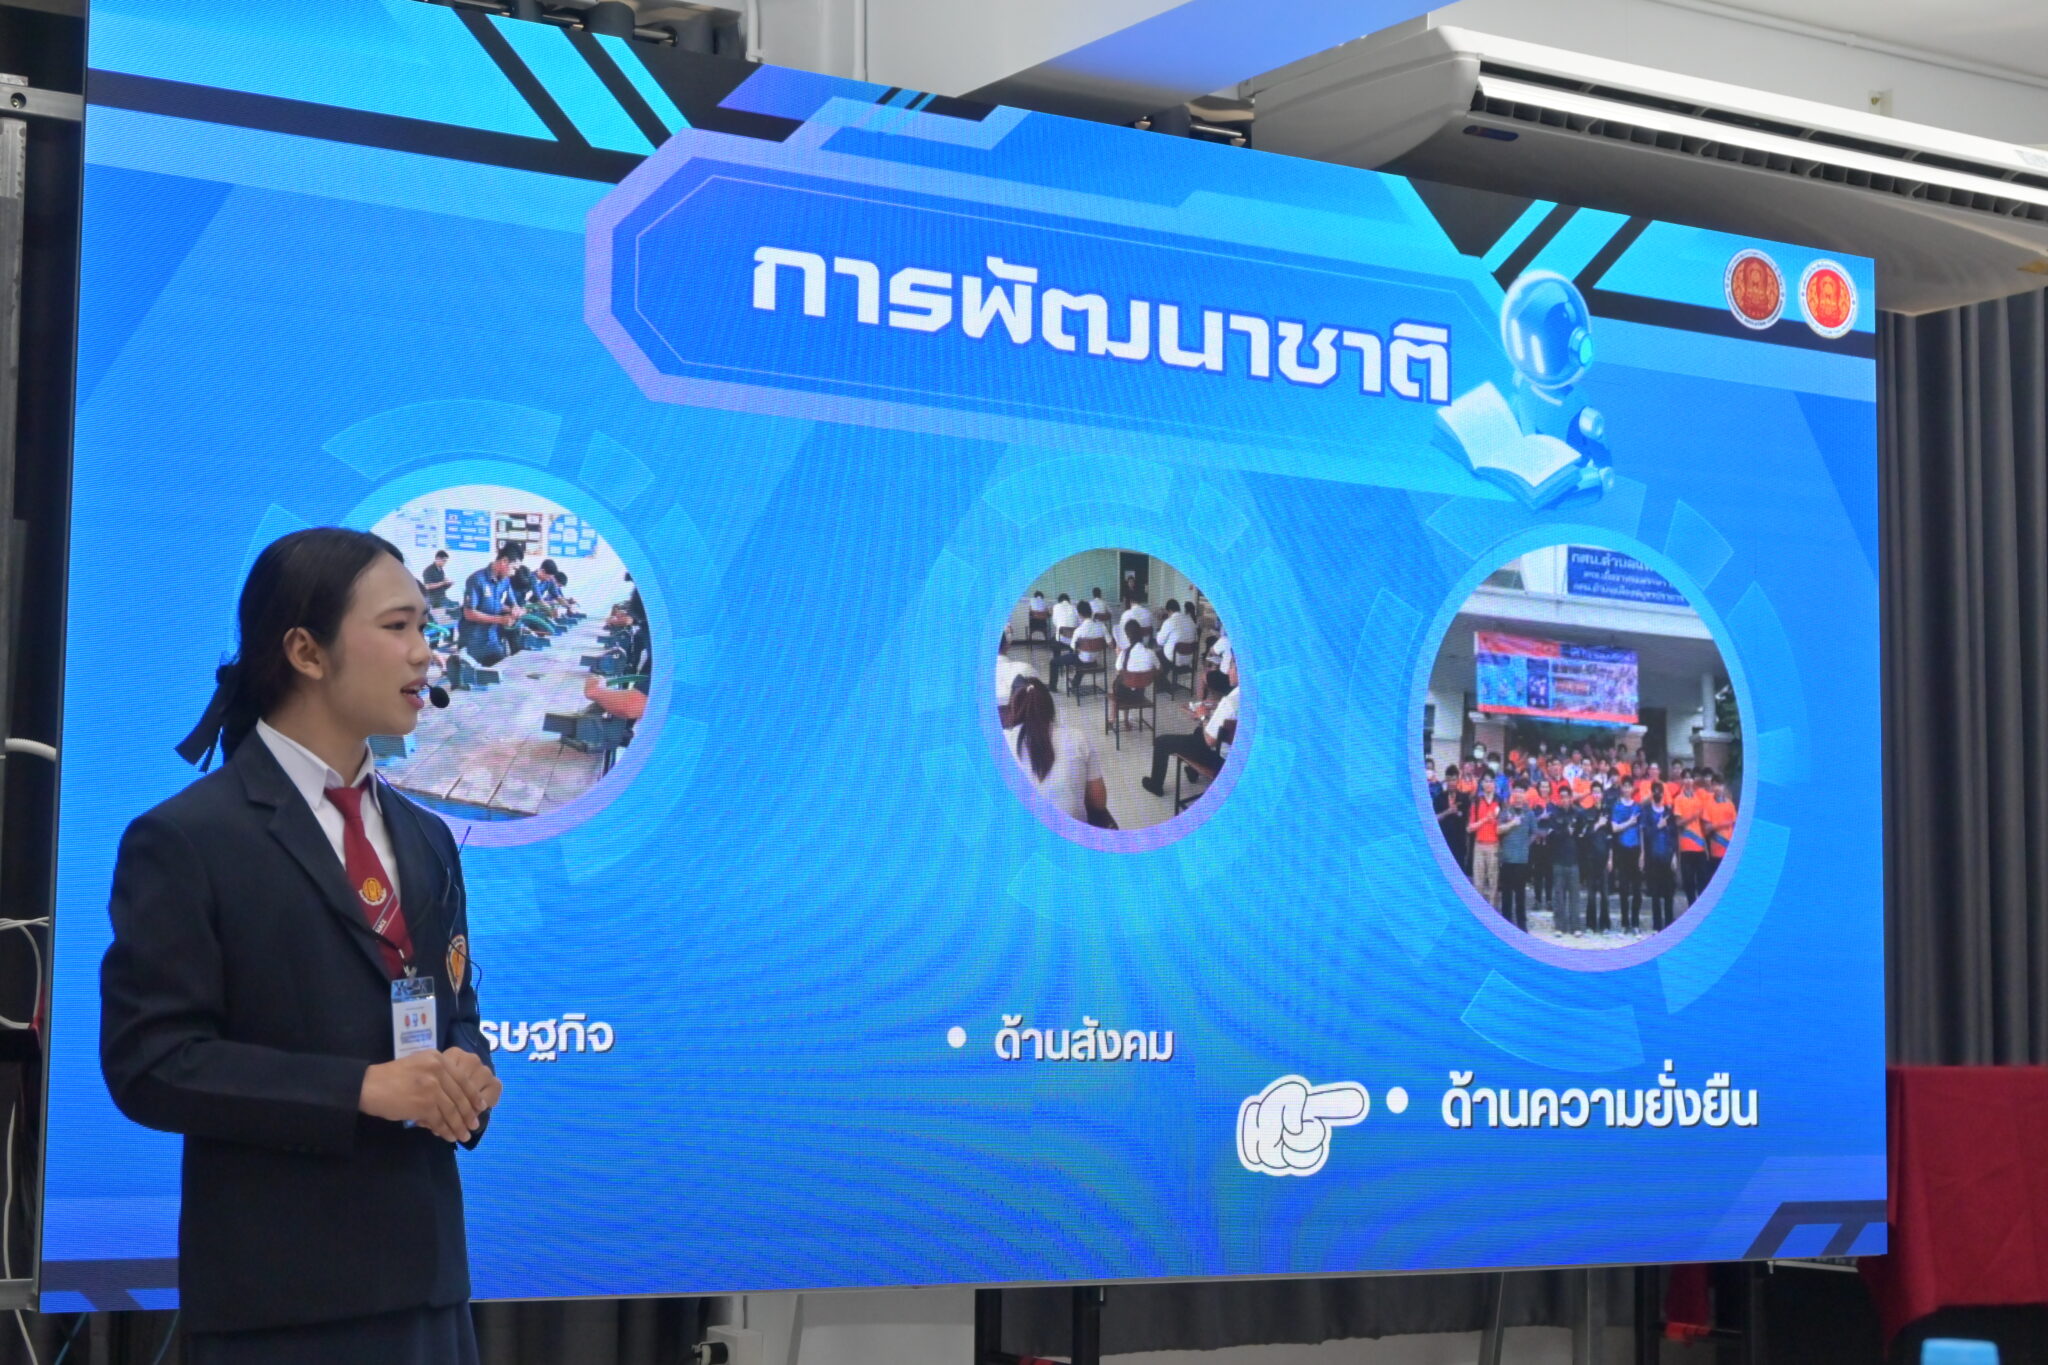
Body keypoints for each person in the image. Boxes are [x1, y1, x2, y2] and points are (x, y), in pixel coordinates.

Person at [103, 528, 500, 1364]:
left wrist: (465, 1068)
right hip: (278, 1305)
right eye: (398, 627)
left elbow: (456, 1009)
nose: (425, 652)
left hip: (429, 1289)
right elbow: (152, 1062)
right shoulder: (188, 838)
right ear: (305, 651)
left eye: (425, 627)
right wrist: (359, 1089)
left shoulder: (427, 836)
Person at [1006, 677, 1112, 826]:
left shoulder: (999, 743)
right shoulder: (1077, 738)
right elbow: (1099, 802)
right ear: (1050, 706)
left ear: (1013, 708)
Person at [1140, 660, 1239, 799]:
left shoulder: (1229, 703)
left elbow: (1209, 741)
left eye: (1231, 667)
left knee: (1161, 742)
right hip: (1238, 755)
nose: (1228, 671)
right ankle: (1192, 771)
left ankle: (1156, 786)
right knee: (1198, 732)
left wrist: (1203, 716)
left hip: (1220, 759)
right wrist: (1217, 705)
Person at [459, 544, 521, 668]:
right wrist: (500, 620)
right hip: (473, 642)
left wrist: (515, 609)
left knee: (502, 671)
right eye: (513, 568)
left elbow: (509, 603)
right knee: (471, 677)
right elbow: (469, 614)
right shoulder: (477, 579)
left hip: (492, 640)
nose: (513, 573)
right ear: (504, 561)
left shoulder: (505, 580)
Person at [1049, 600, 1109, 692]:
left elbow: (1073, 647)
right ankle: (1075, 683)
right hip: (1094, 660)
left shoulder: (1079, 630)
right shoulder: (1102, 626)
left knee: (1054, 662)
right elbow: (1109, 642)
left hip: (1082, 660)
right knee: (1082, 657)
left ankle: (1052, 687)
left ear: (1079, 614)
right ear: (1091, 611)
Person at [1110, 618, 1161, 723]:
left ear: (1127, 637)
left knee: (1119, 681)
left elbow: (1118, 671)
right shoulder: (1150, 652)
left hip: (1124, 696)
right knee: (1128, 681)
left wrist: (1119, 655)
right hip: (1140, 694)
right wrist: (1148, 672)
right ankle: (1125, 719)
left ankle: (1115, 716)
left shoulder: (1124, 653)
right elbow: (1159, 669)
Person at [1644, 783, 1678, 931]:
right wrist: (1658, 826)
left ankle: (1669, 924)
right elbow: (1646, 834)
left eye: (1660, 792)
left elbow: (1674, 835)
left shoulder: (1669, 812)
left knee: (1669, 893)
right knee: (1655, 894)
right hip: (1653, 858)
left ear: (1664, 794)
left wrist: (1674, 855)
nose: (1658, 794)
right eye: (1655, 792)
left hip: (1667, 857)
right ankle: (1657, 925)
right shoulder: (1647, 812)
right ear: (1652, 794)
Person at [1610, 783, 1643, 934]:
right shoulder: (1617, 807)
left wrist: (1643, 853)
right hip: (1622, 850)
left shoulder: (1637, 807)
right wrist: (1629, 822)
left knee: (1637, 889)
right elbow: (1614, 828)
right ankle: (1625, 923)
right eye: (1625, 787)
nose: (1627, 789)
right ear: (1622, 789)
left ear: (1632, 789)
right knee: (1623, 888)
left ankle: (1635, 923)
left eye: (1630, 787)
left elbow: (1641, 831)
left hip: (1636, 850)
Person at [1496, 787, 1531, 929]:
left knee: (1520, 893)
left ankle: (1522, 924)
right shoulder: (1505, 812)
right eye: (1516, 795)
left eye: (1520, 795)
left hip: (1522, 859)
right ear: (1512, 797)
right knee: (1506, 893)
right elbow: (1498, 830)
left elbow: (1534, 832)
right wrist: (1511, 823)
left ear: (1524, 797)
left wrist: (1526, 844)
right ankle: (1506, 923)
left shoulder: (1529, 813)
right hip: (1507, 858)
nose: (1518, 798)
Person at [1673, 775, 1709, 908]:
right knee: (1688, 880)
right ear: (1682, 781)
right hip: (1686, 846)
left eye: (1690, 778)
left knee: (1702, 879)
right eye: (1686, 778)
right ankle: (1691, 906)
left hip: (1700, 846)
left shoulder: (1699, 799)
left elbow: (1704, 822)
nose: (1688, 781)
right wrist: (1692, 817)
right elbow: (1678, 822)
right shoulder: (1678, 799)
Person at [1467, 785, 1501, 907]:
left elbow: (1502, 826)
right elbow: (1470, 828)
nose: (1488, 784)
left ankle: (1493, 908)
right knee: (1478, 880)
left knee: (1493, 880)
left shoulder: (1500, 802)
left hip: (1494, 845)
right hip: (1479, 845)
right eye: (1486, 781)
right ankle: (1479, 908)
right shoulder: (1476, 802)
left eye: (1491, 781)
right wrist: (1485, 819)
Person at [1705, 778, 1737, 885]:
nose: (1718, 788)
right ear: (1712, 787)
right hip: (1716, 849)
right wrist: (1724, 823)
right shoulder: (1708, 804)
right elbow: (1707, 828)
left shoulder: (1730, 804)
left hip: (1729, 848)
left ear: (1724, 787)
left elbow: (1734, 824)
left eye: (1720, 785)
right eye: (1715, 785)